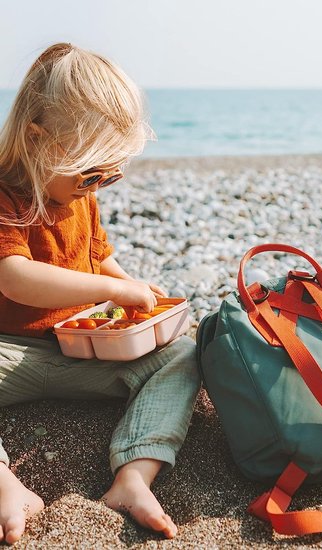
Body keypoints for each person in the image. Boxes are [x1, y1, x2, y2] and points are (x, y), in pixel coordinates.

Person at [0, 43, 200, 544]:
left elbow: (98, 256)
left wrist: (131, 289)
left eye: (110, 176)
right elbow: (15, 276)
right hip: (11, 353)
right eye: (91, 172)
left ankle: (134, 476)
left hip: (82, 355)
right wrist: (112, 287)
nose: (98, 186)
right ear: (35, 139)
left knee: (183, 354)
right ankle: (5, 485)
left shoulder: (81, 198)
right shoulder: (6, 193)